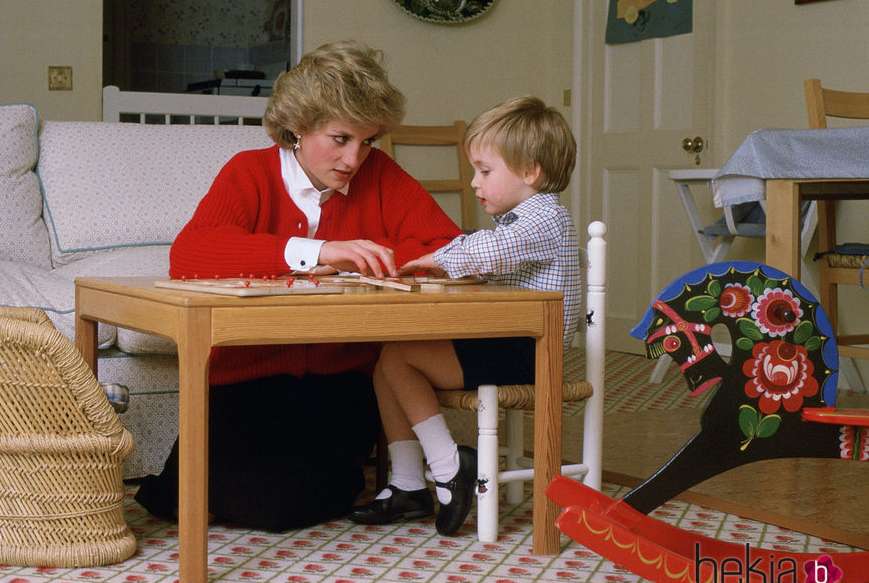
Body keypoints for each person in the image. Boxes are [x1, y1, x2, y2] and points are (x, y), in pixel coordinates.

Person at [134, 40, 462, 531]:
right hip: (246, 375)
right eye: (340, 138)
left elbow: (448, 246)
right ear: (297, 126)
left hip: (339, 380)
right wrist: (316, 251)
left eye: (367, 141)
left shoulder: (381, 176)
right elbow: (190, 254)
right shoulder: (250, 172)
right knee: (206, 494)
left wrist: (379, 252)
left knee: (288, 507)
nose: (355, 158)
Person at [349, 96, 580, 536]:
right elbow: (472, 246)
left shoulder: (544, 217)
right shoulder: (519, 221)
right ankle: (408, 484)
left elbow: (483, 251)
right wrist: (433, 259)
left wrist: (433, 260)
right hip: (510, 342)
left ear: (531, 172)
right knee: (386, 363)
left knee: (400, 357)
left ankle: (449, 464)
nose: (475, 182)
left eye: (485, 171)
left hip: (530, 349)